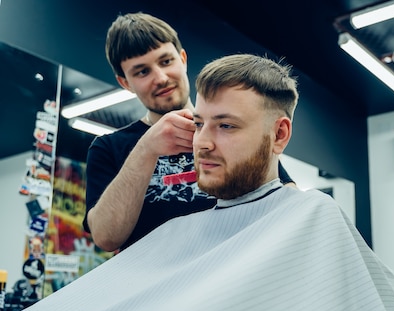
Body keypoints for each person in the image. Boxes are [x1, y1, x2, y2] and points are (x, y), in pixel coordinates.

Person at [0, 54, 394, 311]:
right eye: (200, 123)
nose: (202, 142)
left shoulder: (311, 217)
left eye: (225, 126)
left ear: (279, 135)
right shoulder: (179, 229)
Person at [83, 12, 294, 252]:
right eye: (142, 72)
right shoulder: (108, 148)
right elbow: (105, 238)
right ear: (125, 83)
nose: (161, 78)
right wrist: (146, 148)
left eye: (166, 61)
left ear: (182, 59)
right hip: (160, 286)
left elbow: (284, 196)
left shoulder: (236, 132)